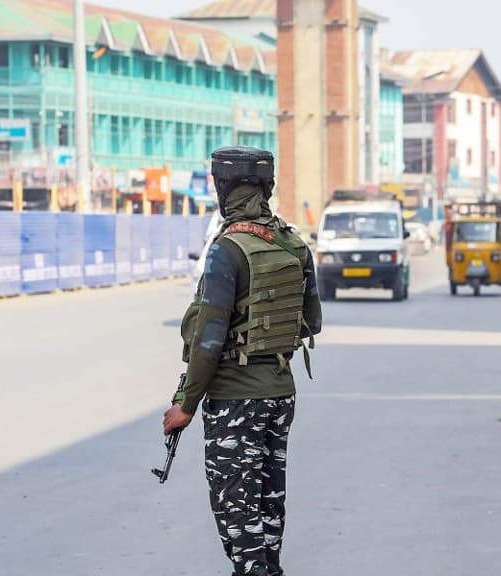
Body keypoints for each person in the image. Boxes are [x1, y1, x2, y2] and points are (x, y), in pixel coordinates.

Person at [163, 146, 322, 576]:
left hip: (235, 400)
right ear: (266, 186)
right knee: (269, 502)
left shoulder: (227, 250)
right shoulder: (294, 243)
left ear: (222, 187)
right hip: (280, 392)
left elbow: (208, 342)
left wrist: (185, 405)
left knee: (237, 509)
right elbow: (312, 321)